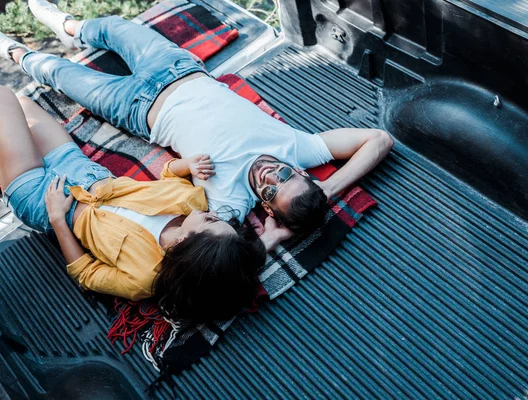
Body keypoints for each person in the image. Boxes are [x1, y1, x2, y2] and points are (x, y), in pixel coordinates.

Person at [0, 0, 394, 236]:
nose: (271, 176)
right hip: (176, 68)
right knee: (116, 28)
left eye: (271, 192)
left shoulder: (232, 200)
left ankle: (17, 53)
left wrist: (272, 239)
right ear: (302, 173)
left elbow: (222, 242)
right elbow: (379, 140)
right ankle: (70, 27)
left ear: (267, 210)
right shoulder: (301, 150)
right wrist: (330, 189)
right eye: (286, 176)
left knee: (59, 75)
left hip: (135, 108)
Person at [0, 86, 282, 323]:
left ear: (186, 241)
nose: (211, 213)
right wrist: (188, 165)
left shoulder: (142, 279)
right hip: (81, 169)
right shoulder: (191, 202)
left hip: (42, 198)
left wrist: (58, 219)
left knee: (4, 98)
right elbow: (169, 174)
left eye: (210, 221)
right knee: (23, 104)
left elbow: (86, 274)